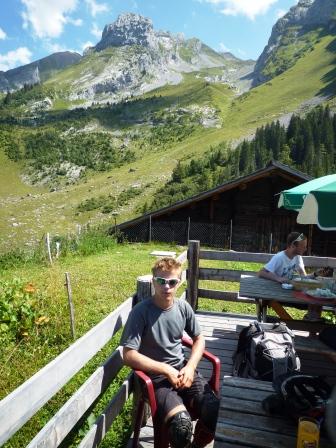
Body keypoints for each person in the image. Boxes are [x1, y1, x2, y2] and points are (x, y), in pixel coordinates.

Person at [121, 257, 219, 448]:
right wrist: (165, 370)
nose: (167, 287)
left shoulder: (183, 308)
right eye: (161, 281)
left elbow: (199, 339)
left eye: (172, 282)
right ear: (153, 281)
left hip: (183, 372)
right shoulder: (141, 312)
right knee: (181, 427)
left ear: (179, 282)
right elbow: (128, 354)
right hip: (155, 381)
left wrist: (190, 367)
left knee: (214, 410)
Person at [258, 231, 321, 320]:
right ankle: (307, 325)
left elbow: (303, 277)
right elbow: (261, 272)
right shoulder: (279, 257)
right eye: (303, 246)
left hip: (289, 292)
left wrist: (315, 274)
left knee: (316, 302)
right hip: (276, 294)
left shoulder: (298, 257)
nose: (305, 248)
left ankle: (310, 325)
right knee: (313, 303)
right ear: (293, 245)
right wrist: (278, 278)